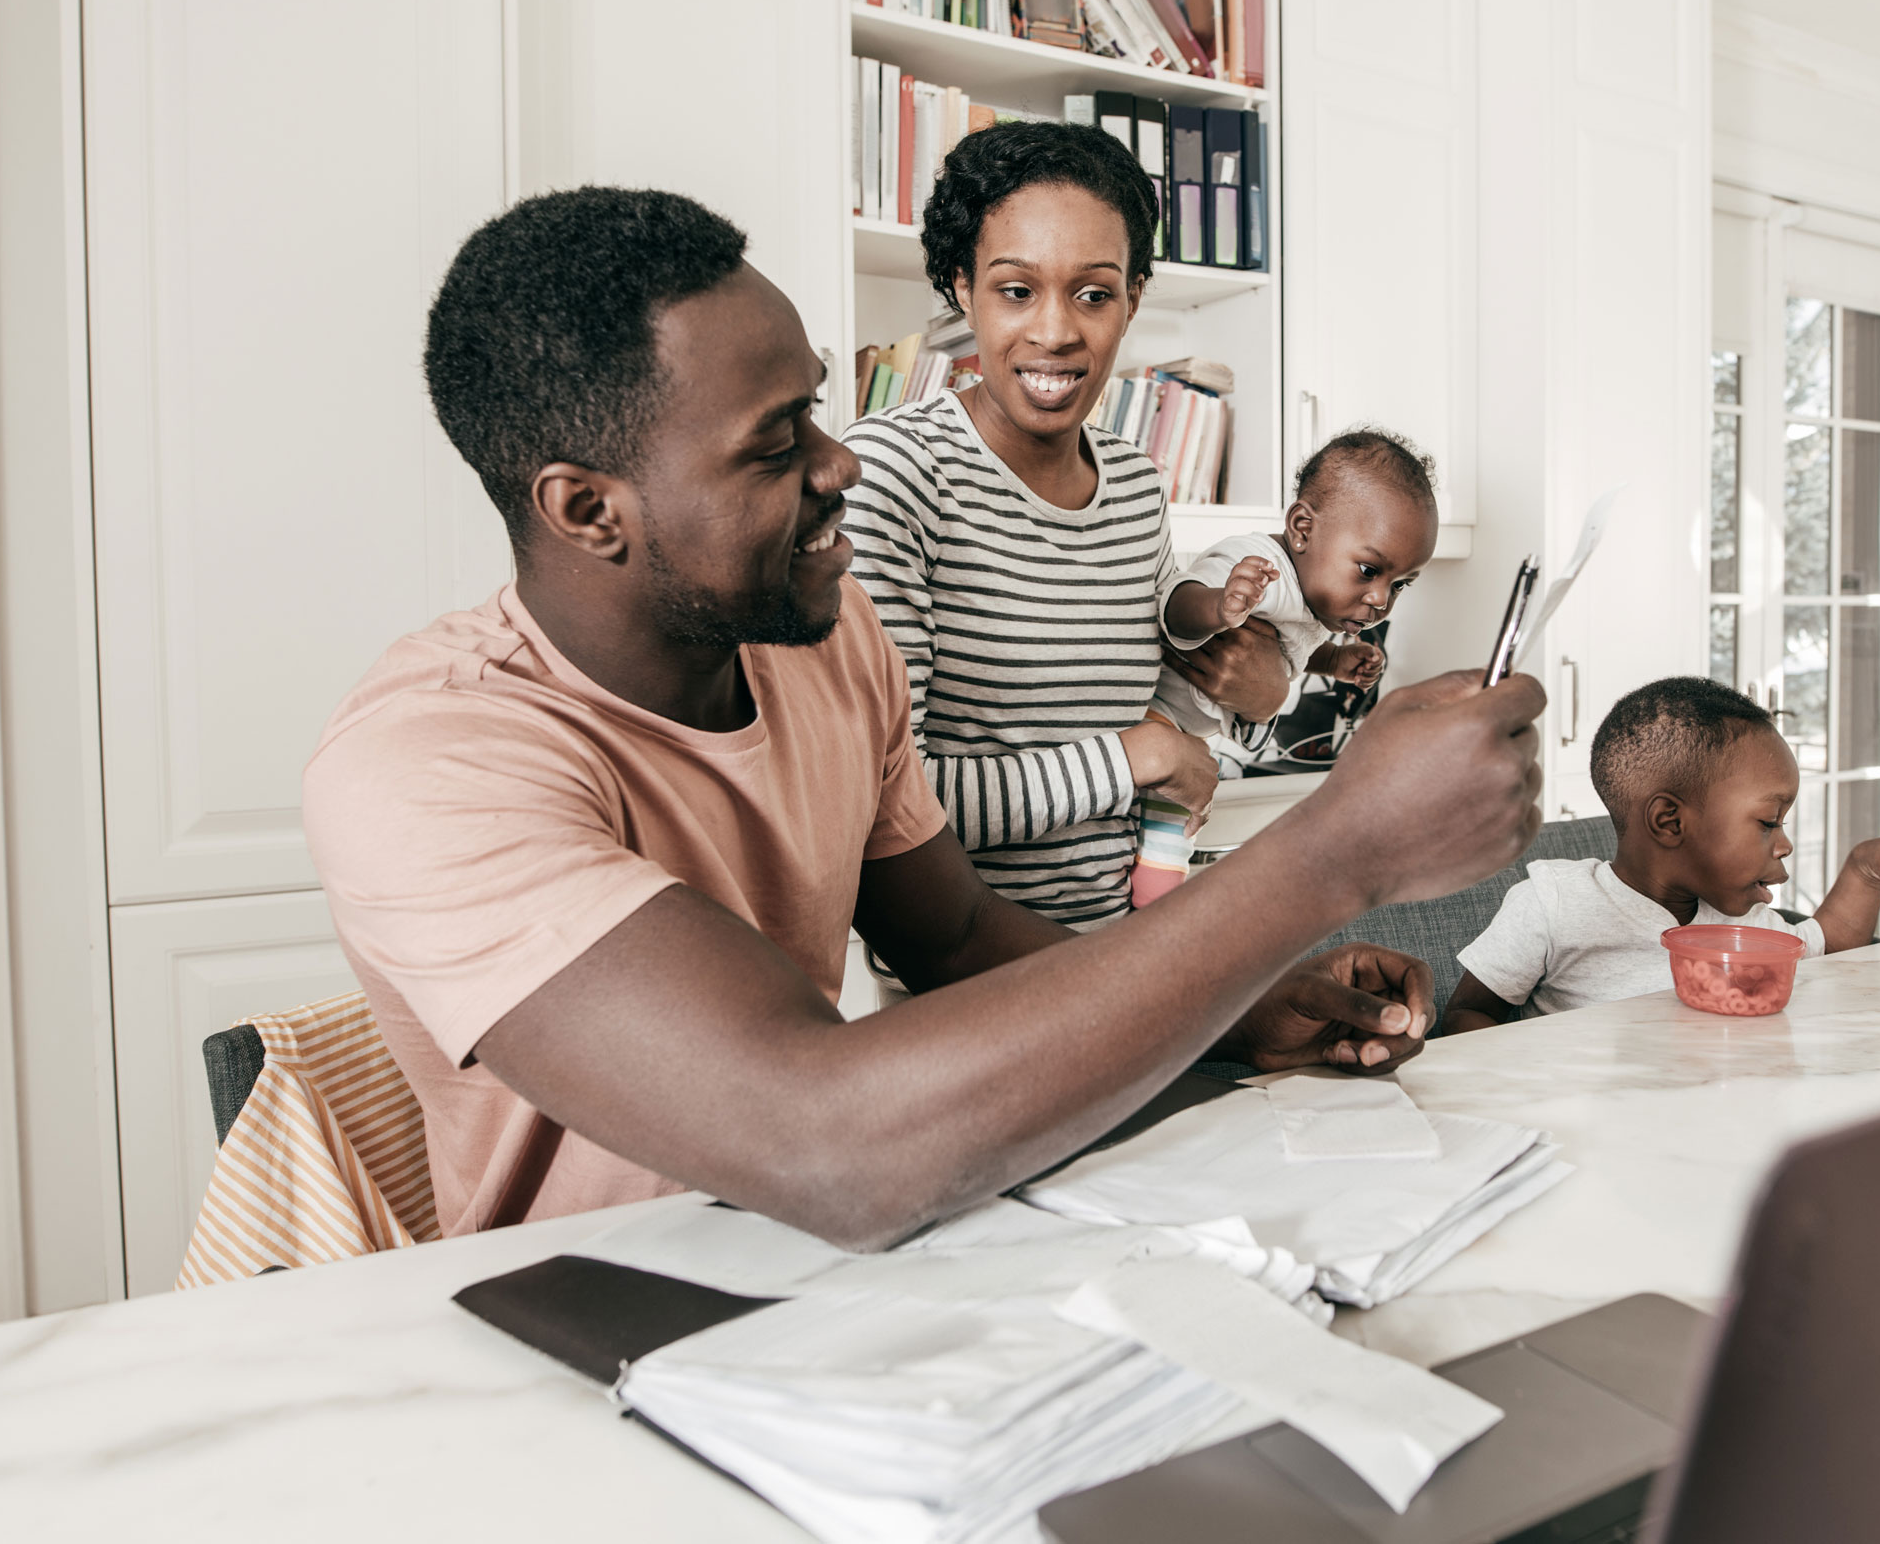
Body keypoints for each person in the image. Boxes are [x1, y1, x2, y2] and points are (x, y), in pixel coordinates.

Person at [301, 186, 1547, 1248]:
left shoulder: (831, 648)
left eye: (819, 410)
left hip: (844, 1273)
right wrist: (1338, 849)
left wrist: (1245, 1002)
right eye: (774, 442)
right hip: (597, 1315)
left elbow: (953, 937)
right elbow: (822, 1142)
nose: (838, 463)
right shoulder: (425, 761)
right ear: (586, 510)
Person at [843, 123, 1291, 928]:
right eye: (1016, 290)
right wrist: (1133, 758)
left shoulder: (1134, 486)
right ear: (960, 286)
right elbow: (880, 801)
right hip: (960, 979)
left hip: (1131, 951)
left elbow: (1184, 720)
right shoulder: (893, 473)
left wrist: (1259, 696)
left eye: (1093, 293)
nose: (1055, 331)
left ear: (1133, 298)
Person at [1441, 676, 1880, 1032]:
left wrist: (1864, 869)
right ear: (1670, 822)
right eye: (1768, 822)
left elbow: (1830, 949)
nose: (1785, 843)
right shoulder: (1554, 903)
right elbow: (1466, 1014)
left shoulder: (1748, 925)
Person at [1150, 428, 1437, 740]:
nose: (1382, 600)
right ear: (1303, 530)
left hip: (1183, 736)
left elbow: (1291, 649)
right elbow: (1173, 611)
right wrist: (1218, 606)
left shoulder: (1311, 604)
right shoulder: (1260, 567)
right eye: (1368, 570)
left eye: (1399, 585)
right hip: (1152, 717)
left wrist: (1333, 661)